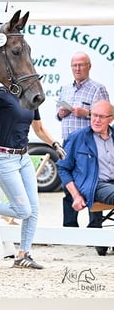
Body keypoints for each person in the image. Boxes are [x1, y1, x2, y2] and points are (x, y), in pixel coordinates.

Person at [0, 86, 66, 269]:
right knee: (22, 211)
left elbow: (39, 128)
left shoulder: (32, 98)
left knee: (33, 210)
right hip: (4, 159)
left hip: (23, 158)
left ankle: (22, 255)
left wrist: (55, 144)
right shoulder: (1, 95)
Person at [56, 51, 110, 229]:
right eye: (74, 65)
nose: (77, 69)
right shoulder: (65, 88)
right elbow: (57, 114)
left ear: (89, 66)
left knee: (92, 182)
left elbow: (103, 114)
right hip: (67, 142)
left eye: (81, 65)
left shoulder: (97, 88)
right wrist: (60, 113)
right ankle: (70, 228)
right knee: (68, 188)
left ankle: (95, 229)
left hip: (89, 144)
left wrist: (85, 113)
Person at [56, 100, 114, 256]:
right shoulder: (77, 137)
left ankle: (105, 237)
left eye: (102, 116)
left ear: (111, 119)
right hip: (94, 185)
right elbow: (63, 168)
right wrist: (75, 195)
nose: (96, 120)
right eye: (94, 115)